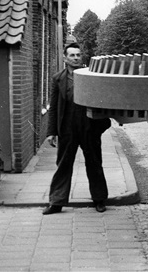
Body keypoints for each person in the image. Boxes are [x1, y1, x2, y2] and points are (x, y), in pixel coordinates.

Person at [42, 43, 112, 215]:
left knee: (94, 163)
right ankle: (56, 202)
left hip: (89, 127)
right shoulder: (57, 78)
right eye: (72, 55)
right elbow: (54, 107)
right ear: (65, 58)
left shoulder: (91, 76)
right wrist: (51, 132)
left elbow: (104, 101)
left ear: (82, 57)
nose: (75, 58)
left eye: (78, 55)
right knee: (63, 164)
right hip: (67, 128)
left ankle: (99, 200)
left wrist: (101, 126)